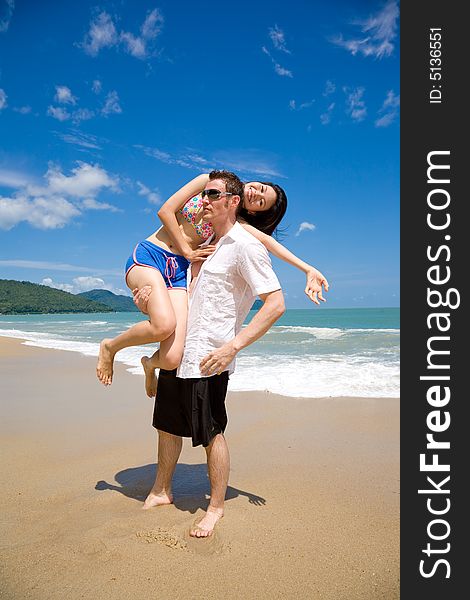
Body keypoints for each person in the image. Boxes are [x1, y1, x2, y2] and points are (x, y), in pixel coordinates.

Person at [141, 170, 285, 538]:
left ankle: (216, 507)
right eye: (204, 193)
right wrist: (143, 301)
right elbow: (175, 297)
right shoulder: (204, 246)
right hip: (182, 348)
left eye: (213, 194)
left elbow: (275, 303)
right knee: (167, 425)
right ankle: (161, 490)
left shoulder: (245, 246)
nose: (203, 200)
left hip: (210, 355)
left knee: (211, 433)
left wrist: (233, 347)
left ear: (233, 202)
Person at [96, 172, 328, 387]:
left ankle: (149, 364)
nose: (255, 193)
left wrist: (307, 269)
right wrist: (187, 251)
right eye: (261, 188)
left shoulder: (235, 223)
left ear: (253, 210)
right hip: (151, 255)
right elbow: (165, 211)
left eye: (260, 201)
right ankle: (110, 346)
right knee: (163, 325)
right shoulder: (208, 181)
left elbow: (270, 244)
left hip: (178, 273)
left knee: (171, 359)